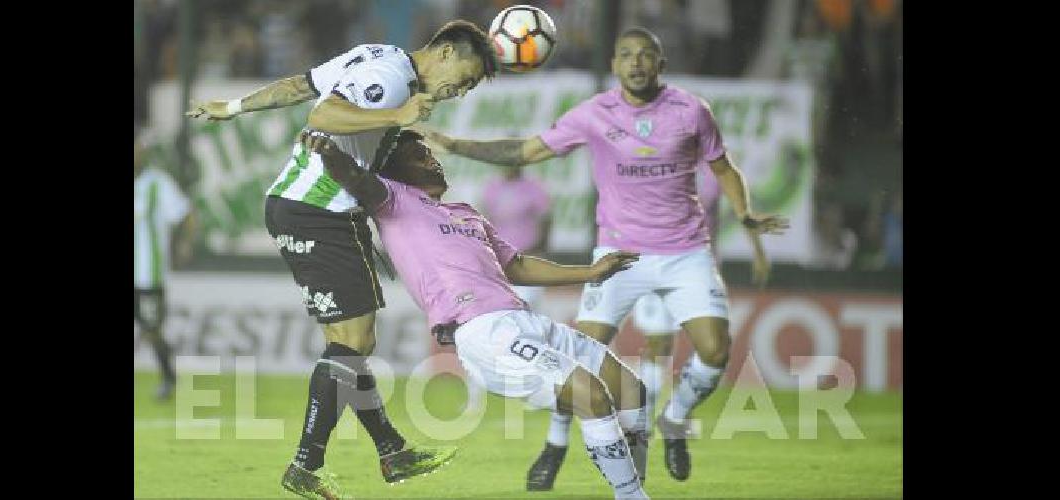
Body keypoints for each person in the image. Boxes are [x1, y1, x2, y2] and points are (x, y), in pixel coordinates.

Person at [418, 27, 788, 488]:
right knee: (579, 354)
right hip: (620, 250)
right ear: (614, 64)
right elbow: (525, 150)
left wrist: (746, 216)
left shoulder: (692, 111)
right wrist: (455, 145)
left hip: (685, 249)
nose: (636, 63)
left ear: (660, 64)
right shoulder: (594, 114)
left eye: (645, 55)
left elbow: (723, 169)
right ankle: (555, 445)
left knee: (714, 349)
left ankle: (673, 420)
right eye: (626, 55)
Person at [186, 20, 498, 499]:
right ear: (447, 51)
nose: (463, 90)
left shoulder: (374, 54)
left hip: (295, 204)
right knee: (354, 341)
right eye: (468, 76)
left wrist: (232, 107)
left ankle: (392, 451)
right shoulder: (394, 79)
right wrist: (397, 115)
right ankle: (305, 467)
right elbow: (326, 115)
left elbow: (300, 87)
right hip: (320, 209)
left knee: (345, 345)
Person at [304, 128, 651, 499]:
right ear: (397, 172)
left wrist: (590, 273)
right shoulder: (393, 201)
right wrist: (328, 151)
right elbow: (356, 179)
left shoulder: (466, 213)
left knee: (631, 389)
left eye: (430, 154)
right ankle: (630, 495)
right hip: (485, 333)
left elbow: (515, 265)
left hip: (524, 318)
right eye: (419, 157)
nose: (432, 160)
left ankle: (631, 487)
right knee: (592, 395)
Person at [629, 164, 770, 431]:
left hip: (698, 268)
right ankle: (643, 417)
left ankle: (676, 412)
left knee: (707, 344)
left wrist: (759, 251)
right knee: (659, 343)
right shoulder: (655, 160)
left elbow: (742, 210)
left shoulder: (714, 171)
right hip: (655, 260)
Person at [134, 134, 195, 401]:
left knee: (150, 329)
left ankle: (168, 376)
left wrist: (184, 245)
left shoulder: (157, 183)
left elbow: (186, 213)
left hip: (148, 273)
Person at [479, 164, 553, 308]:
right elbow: (484, 221)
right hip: (500, 260)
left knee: (527, 306)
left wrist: (539, 248)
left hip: (527, 257)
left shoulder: (533, 187)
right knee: (502, 307)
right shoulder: (493, 187)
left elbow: (546, 220)